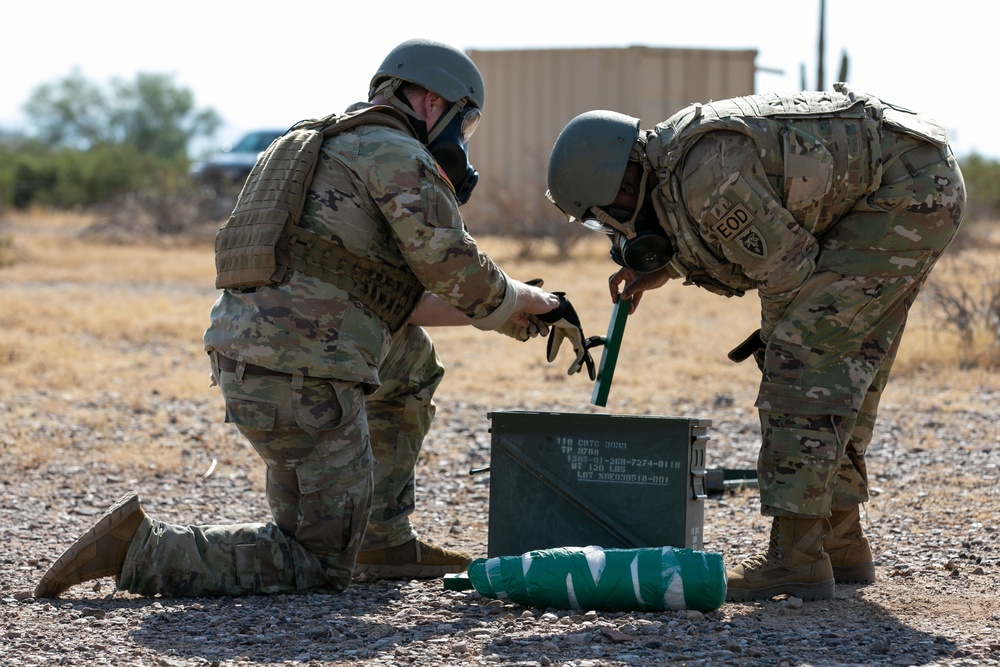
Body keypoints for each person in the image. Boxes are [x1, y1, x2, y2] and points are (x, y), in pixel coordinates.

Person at [35, 38, 594, 599]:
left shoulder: (312, 142)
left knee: (411, 363)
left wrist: (514, 314)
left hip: (258, 359)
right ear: (431, 103)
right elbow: (460, 272)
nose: (460, 140)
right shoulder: (396, 154)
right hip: (301, 381)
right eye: (464, 123)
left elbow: (389, 302)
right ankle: (141, 549)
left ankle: (382, 538)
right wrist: (534, 299)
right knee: (317, 563)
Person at [545, 83, 966, 602]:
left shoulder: (706, 175)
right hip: (908, 182)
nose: (611, 227)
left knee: (802, 365)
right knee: (845, 361)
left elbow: (785, 272)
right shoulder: (675, 162)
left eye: (605, 212)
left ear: (623, 183)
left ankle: (797, 558)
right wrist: (668, 268)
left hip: (906, 192)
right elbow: (740, 232)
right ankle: (838, 540)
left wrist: (782, 350)